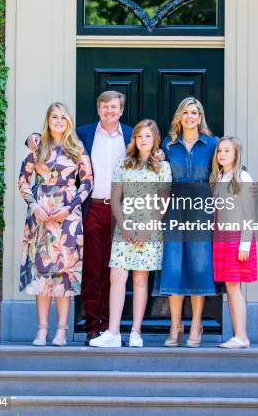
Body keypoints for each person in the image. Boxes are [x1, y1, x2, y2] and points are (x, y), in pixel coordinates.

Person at [26, 91, 132, 345]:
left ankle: (111, 327)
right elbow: (51, 141)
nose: (109, 111)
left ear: (121, 110)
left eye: (114, 107)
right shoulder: (83, 134)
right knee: (93, 269)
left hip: (123, 210)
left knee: (116, 270)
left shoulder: (131, 135)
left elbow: (150, 151)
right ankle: (93, 326)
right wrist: (31, 138)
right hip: (91, 208)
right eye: (105, 107)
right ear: (98, 110)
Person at [90, 119, 172, 348]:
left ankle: (136, 332)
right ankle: (113, 332)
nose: (142, 140)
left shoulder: (163, 167)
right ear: (134, 139)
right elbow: (115, 199)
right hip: (124, 227)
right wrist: (124, 227)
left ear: (154, 138)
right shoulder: (124, 164)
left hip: (150, 230)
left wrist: (148, 228)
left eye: (147, 136)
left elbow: (163, 202)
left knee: (140, 279)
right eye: (139, 136)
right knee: (117, 277)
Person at [18, 102, 93, 346]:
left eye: (63, 117)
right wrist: (34, 206)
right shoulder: (37, 146)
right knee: (42, 274)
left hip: (68, 217)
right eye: (54, 116)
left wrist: (70, 207)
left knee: (65, 274)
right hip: (41, 215)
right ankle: (42, 329)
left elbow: (88, 182)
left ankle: (61, 330)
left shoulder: (77, 147)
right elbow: (24, 180)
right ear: (48, 120)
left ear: (68, 121)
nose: (58, 120)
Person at [156, 97, 219, 348]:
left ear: (200, 116)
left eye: (194, 112)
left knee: (199, 264)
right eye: (186, 113)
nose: (190, 117)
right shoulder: (168, 145)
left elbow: (228, 169)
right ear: (179, 117)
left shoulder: (213, 144)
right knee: (173, 264)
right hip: (174, 207)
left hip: (201, 207)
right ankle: (175, 325)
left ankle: (195, 324)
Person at [210, 136, 258, 349]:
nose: (222, 154)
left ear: (236, 154)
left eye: (227, 150)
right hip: (221, 237)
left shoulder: (242, 177)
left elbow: (250, 212)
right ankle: (238, 335)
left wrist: (245, 244)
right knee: (230, 287)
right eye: (220, 150)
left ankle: (241, 336)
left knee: (233, 286)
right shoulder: (219, 176)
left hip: (237, 238)